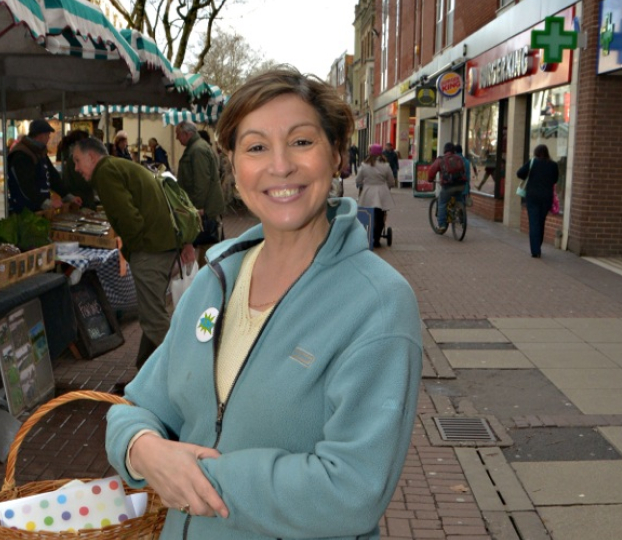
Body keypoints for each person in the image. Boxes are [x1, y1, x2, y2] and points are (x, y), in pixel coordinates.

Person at [106, 67, 422, 540]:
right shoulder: (214, 280)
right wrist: (141, 449)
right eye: (255, 147)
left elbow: (353, 489)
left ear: (336, 154)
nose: (280, 166)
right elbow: (137, 405)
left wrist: (194, 479)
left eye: (301, 142)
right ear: (232, 165)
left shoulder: (378, 303)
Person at [72, 137, 194, 369]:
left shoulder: (105, 172)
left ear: (91, 157)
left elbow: (130, 220)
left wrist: (132, 250)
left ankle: (186, 374)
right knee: (153, 312)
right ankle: (144, 373)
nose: (76, 168)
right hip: (163, 244)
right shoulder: (119, 166)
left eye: (78, 161)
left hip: (150, 249)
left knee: (153, 320)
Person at [175, 120, 225, 265]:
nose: (177, 138)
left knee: (207, 245)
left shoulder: (197, 150)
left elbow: (202, 182)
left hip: (205, 208)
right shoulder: (197, 148)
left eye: (178, 134)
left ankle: (206, 279)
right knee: (206, 245)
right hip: (206, 206)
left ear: (186, 133)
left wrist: (197, 208)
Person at [7, 119, 81, 213]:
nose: (49, 138)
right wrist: (46, 202)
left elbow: (52, 175)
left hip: (39, 208)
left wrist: (68, 196)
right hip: (25, 210)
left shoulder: (39, 151)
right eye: (48, 135)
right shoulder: (21, 154)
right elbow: (26, 185)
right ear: (41, 135)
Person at [516, 144, 559, 258]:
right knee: (541, 221)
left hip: (532, 196)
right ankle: (537, 246)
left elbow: (519, 173)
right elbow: (555, 179)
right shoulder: (553, 165)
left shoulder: (532, 162)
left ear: (536, 152)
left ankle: (535, 250)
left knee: (533, 222)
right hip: (546, 197)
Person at [355, 143, 396, 247]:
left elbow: (358, 179)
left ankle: (366, 236)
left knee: (367, 215)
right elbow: (391, 180)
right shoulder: (386, 165)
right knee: (381, 216)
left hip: (368, 193)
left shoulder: (364, 165)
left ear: (370, 152)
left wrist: (360, 186)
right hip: (382, 192)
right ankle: (377, 239)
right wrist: (389, 186)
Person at [427, 142, 467, 230]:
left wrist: (430, 179)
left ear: (444, 150)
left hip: (448, 186)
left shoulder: (441, 159)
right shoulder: (459, 158)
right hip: (460, 185)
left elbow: (432, 171)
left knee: (442, 203)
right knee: (459, 199)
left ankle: (442, 225)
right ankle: (462, 218)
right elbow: (463, 171)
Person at [57, 129, 97, 209]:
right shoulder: (75, 160)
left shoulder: (75, 158)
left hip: (82, 201)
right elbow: (82, 182)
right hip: (80, 203)